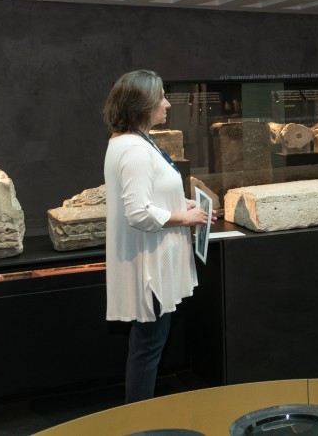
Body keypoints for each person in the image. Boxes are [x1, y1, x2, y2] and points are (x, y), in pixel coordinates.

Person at [103, 69, 211, 402]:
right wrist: (185, 217)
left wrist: (179, 203)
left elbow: (148, 196)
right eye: (161, 97)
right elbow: (138, 213)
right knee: (148, 347)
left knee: (148, 346)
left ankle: (140, 417)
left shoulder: (133, 142)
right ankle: (139, 421)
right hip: (150, 269)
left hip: (152, 263)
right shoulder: (134, 149)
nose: (167, 103)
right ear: (143, 104)